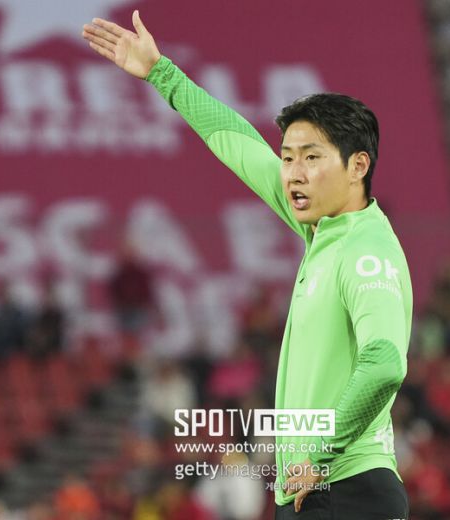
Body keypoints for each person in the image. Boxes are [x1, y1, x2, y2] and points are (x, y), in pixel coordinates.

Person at [82, 12, 413, 519]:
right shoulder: (323, 231)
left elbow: (385, 362)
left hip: (347, 488)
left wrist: (321, 456)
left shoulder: (366, 251)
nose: (292, 173)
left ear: (358, 166)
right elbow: (239, 146)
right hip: (313, 489)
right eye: (288, 157)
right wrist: (161, 73)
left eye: (311, 158)